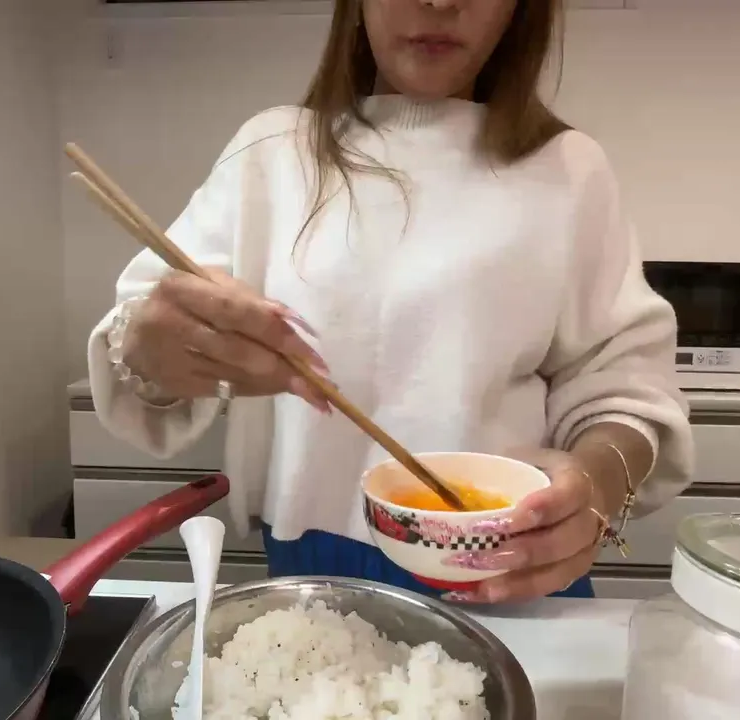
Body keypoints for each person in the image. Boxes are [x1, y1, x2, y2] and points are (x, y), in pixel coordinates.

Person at [87, 0, 692, 603]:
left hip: (511, 574)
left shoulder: (569, 169)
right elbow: (138, 338)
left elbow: (626, 387)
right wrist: (152, 347)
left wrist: (597, 483)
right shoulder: (272, 152)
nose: (441, 1)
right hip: (314, 576)